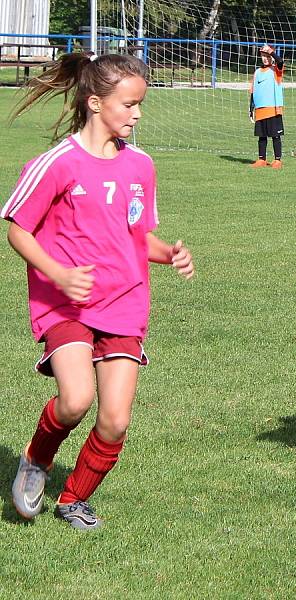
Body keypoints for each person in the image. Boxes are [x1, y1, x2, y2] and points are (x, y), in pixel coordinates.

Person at [3, 52, 195, 530]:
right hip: (66, 302)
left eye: (140, 104)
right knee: (75, 399)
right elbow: (17, 230)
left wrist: (168, 253)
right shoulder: (57, 163)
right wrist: (59, 274)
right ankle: (36, 458)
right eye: (129, 104)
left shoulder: (141, 167)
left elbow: (136, 236)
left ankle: (73, 499)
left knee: (115, 421)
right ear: (95, 103)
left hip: (125, 302)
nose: (137, 113)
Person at [249, 43, 285, 169]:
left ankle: (277, 160)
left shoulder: (276, 70)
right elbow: (253, 91)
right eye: (263, 56)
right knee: (262, 136)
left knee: (275, 135)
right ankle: (261, 160)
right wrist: (251, 109)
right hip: (260, 110)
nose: (265, 58)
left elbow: (280, 60)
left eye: (267, 56)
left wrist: (271, 52)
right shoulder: (257, 72)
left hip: (273, 109)